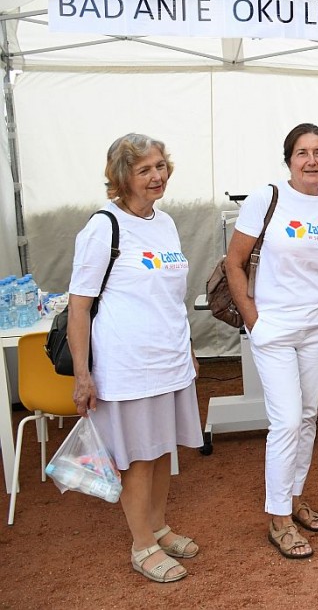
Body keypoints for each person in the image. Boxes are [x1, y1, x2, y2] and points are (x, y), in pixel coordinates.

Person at [68, 133, 202, 583]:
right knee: (138, 459)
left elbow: (172, 297)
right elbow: (79, 307)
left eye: (160, 166)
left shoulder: (165, 223)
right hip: (128, 365)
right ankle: (142, 545)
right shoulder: (103, 227)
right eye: (145, 169)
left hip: (169, 360)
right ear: (122, 176)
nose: (157, 176)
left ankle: (158, 527)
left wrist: (188, 349)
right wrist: (83, 375)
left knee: (162, 451)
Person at [226, 123, 318, 560]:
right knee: (285, 422)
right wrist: (254, 321)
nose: (311, 161)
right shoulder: (267, 198)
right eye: (302, 153)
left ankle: (295, 498)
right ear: (289, 160)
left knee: (307, 416)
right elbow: (234, 263)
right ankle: (278, 518)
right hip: (273, 329)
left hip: (316, 326)